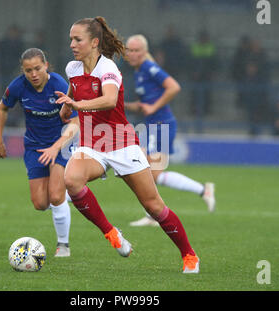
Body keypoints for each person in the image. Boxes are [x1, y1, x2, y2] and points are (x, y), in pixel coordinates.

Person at [56, 16, 200, 273]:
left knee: (153, 206)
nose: (72, 44)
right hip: (91, 144)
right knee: (71, 180)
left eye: (77, 39)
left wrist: (77, 105)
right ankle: (112, 234)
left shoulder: (108, 68)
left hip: (121, 144)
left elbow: (110, 100)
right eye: (71, 39)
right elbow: (75, 90)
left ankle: (189, 255)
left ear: (94, 42)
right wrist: (67, 106)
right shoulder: (73, 68)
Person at [0, 48, 79, 257]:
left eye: (37, 68)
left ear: (46, 66)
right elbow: (2, 108)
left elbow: (76, 122)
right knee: (41, 203)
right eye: (28, 70)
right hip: (34, 145)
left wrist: (56, 146)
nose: (33, 74)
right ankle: (65, 196)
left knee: (56, 196)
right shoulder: (18, 86)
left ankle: (63, 245)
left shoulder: (60, 85)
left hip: (61, 143)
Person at [124, 34, 215, 228]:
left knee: (153, 174)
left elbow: (174, 87)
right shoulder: (140, 71)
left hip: (161, 125)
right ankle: (151, 216)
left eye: (136, 50)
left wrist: (154, 107)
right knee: (146, 172)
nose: (132, 54)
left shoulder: (149, 68)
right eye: (129, 50)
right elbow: (143, 105)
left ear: (145, 52)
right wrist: (121, 105)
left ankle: (203, 190)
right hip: (153, 125)